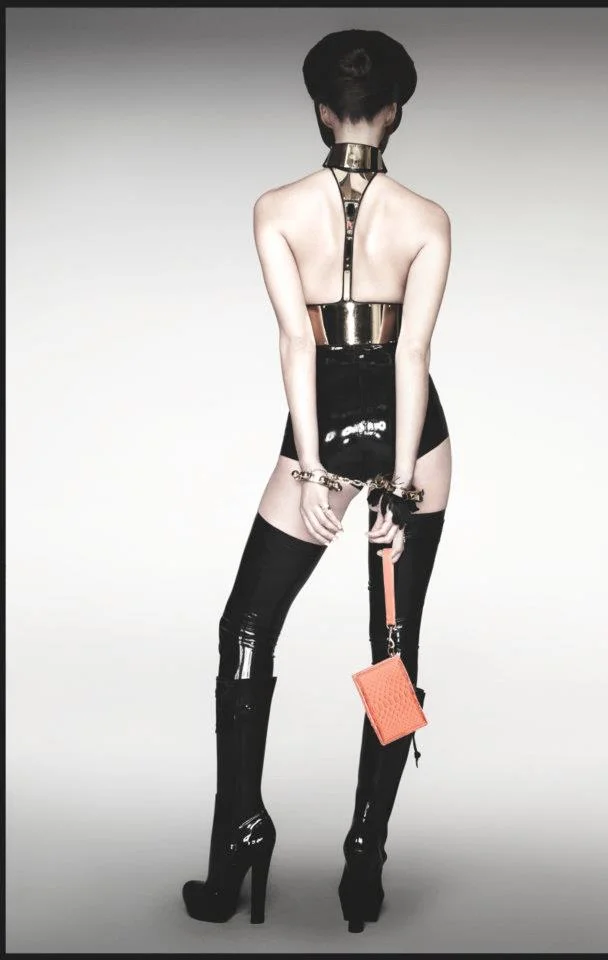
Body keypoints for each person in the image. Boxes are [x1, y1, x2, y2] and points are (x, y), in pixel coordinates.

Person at [182, 28, 452, 934]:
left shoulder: (275, 207)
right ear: (395, 112)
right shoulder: (426, 218)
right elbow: (411, 355)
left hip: (323, 425)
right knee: (392, 651)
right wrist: (399, 487)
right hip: (417, 438)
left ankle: (238, 835)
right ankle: (364, 856)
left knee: (247, 626)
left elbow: (298, 341)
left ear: (320, 111)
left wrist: (309, 466)